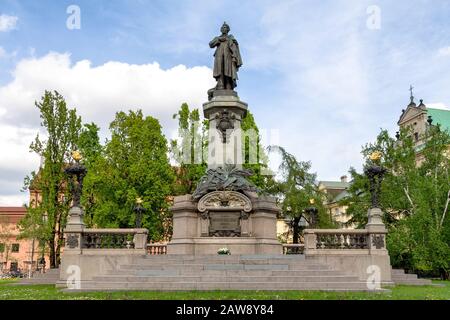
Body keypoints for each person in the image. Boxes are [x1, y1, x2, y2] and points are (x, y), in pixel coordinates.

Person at [209, 22, 243, 91]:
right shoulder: (218, 38)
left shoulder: (230, 37)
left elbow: (235, 46)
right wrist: (219, 40)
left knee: (228, 70)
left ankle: (228, 85)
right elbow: (211, 44)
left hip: (228, 56)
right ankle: (220, 85)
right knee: (220, 70)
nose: (223, 29)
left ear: (228, 29)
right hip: (219, 56)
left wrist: (234, 57)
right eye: (222, 28)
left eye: (225, 28)